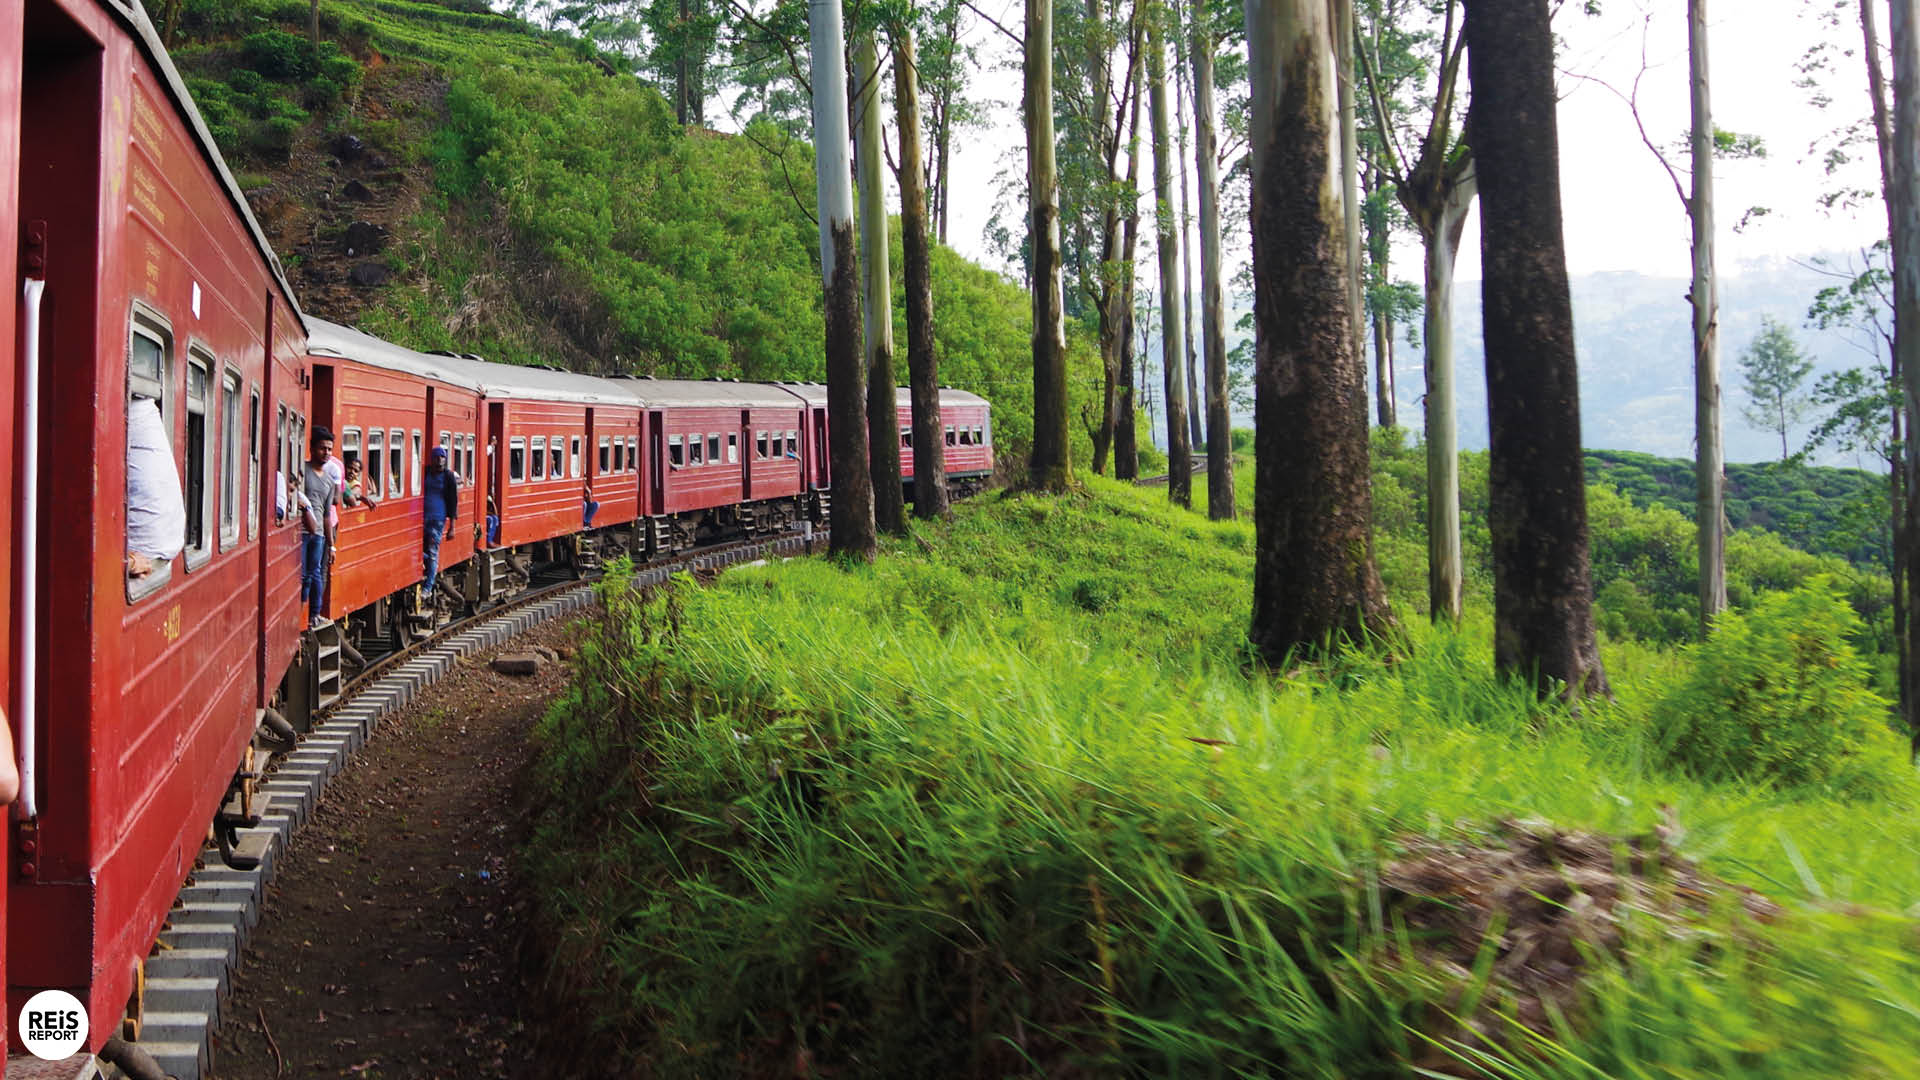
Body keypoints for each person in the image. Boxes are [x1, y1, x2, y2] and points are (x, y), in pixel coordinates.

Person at [126, 396, 187, 579]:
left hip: (144, 559)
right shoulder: (143, 414)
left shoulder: (139, 415)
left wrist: (131, 562)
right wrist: (130, 562)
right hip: (143, 559)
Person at [299, 428, 338, 629]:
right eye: (323, 448)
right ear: (313, 449)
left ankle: (313, 613)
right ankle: (301, 613)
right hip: (302, 532)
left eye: (330, 449)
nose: (326, 452)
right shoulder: (302, 471)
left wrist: (331, 546)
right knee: (304, 574)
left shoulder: (330, 482)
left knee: (314, 573)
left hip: (320, 536)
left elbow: (326, 516)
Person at [421, 445, 460, 598]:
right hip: (422, 517)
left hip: (438, 518)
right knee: (420, 550)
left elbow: (453, 501)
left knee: (432, 552)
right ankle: (425, 569)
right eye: (437, 457)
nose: (440, 460)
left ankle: (428, 587)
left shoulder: (448, 476)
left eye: (442, 457)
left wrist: (452, 527)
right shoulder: (426, 473)